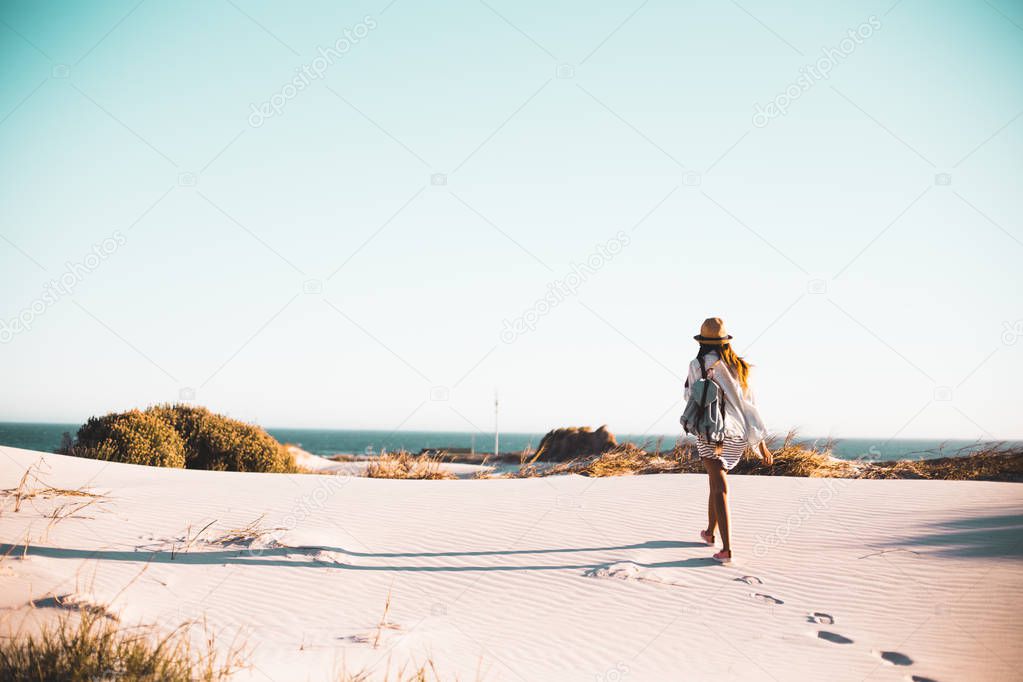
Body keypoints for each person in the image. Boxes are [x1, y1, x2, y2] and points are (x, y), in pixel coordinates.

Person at [684, 318, 772, 564]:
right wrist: (761, 444)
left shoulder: (697, 364)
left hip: (711, 431)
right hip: (738, 434)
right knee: (716, 480)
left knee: (719, 487)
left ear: (702, 342)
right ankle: (710, 532)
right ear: (725, 342)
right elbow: (750, 406)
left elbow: (689, 395)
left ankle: (727, 549)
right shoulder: (740, 367)